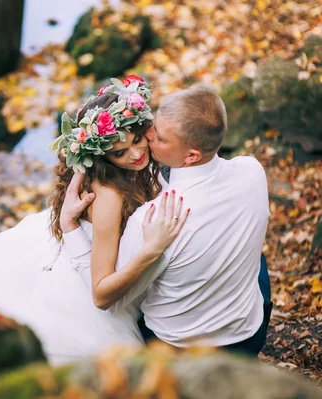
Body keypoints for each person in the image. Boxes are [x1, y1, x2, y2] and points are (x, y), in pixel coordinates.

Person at [0, 76, 187, 365]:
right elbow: (100, 291)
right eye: (120, 152)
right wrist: (150, 250)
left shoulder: (138, 168)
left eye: (138, 139)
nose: (137, 153)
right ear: (103, 157)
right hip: (85, 275)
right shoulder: (109, 198)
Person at [60, 87, 272, 355]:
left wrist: (70, 226)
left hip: (182, 349)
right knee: (258, 262)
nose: (147, 136)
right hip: (251, 331)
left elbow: (106, 300)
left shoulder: (154, 220)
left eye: (157, 137)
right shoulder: (252, 170)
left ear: (192, 155)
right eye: (151, 126)